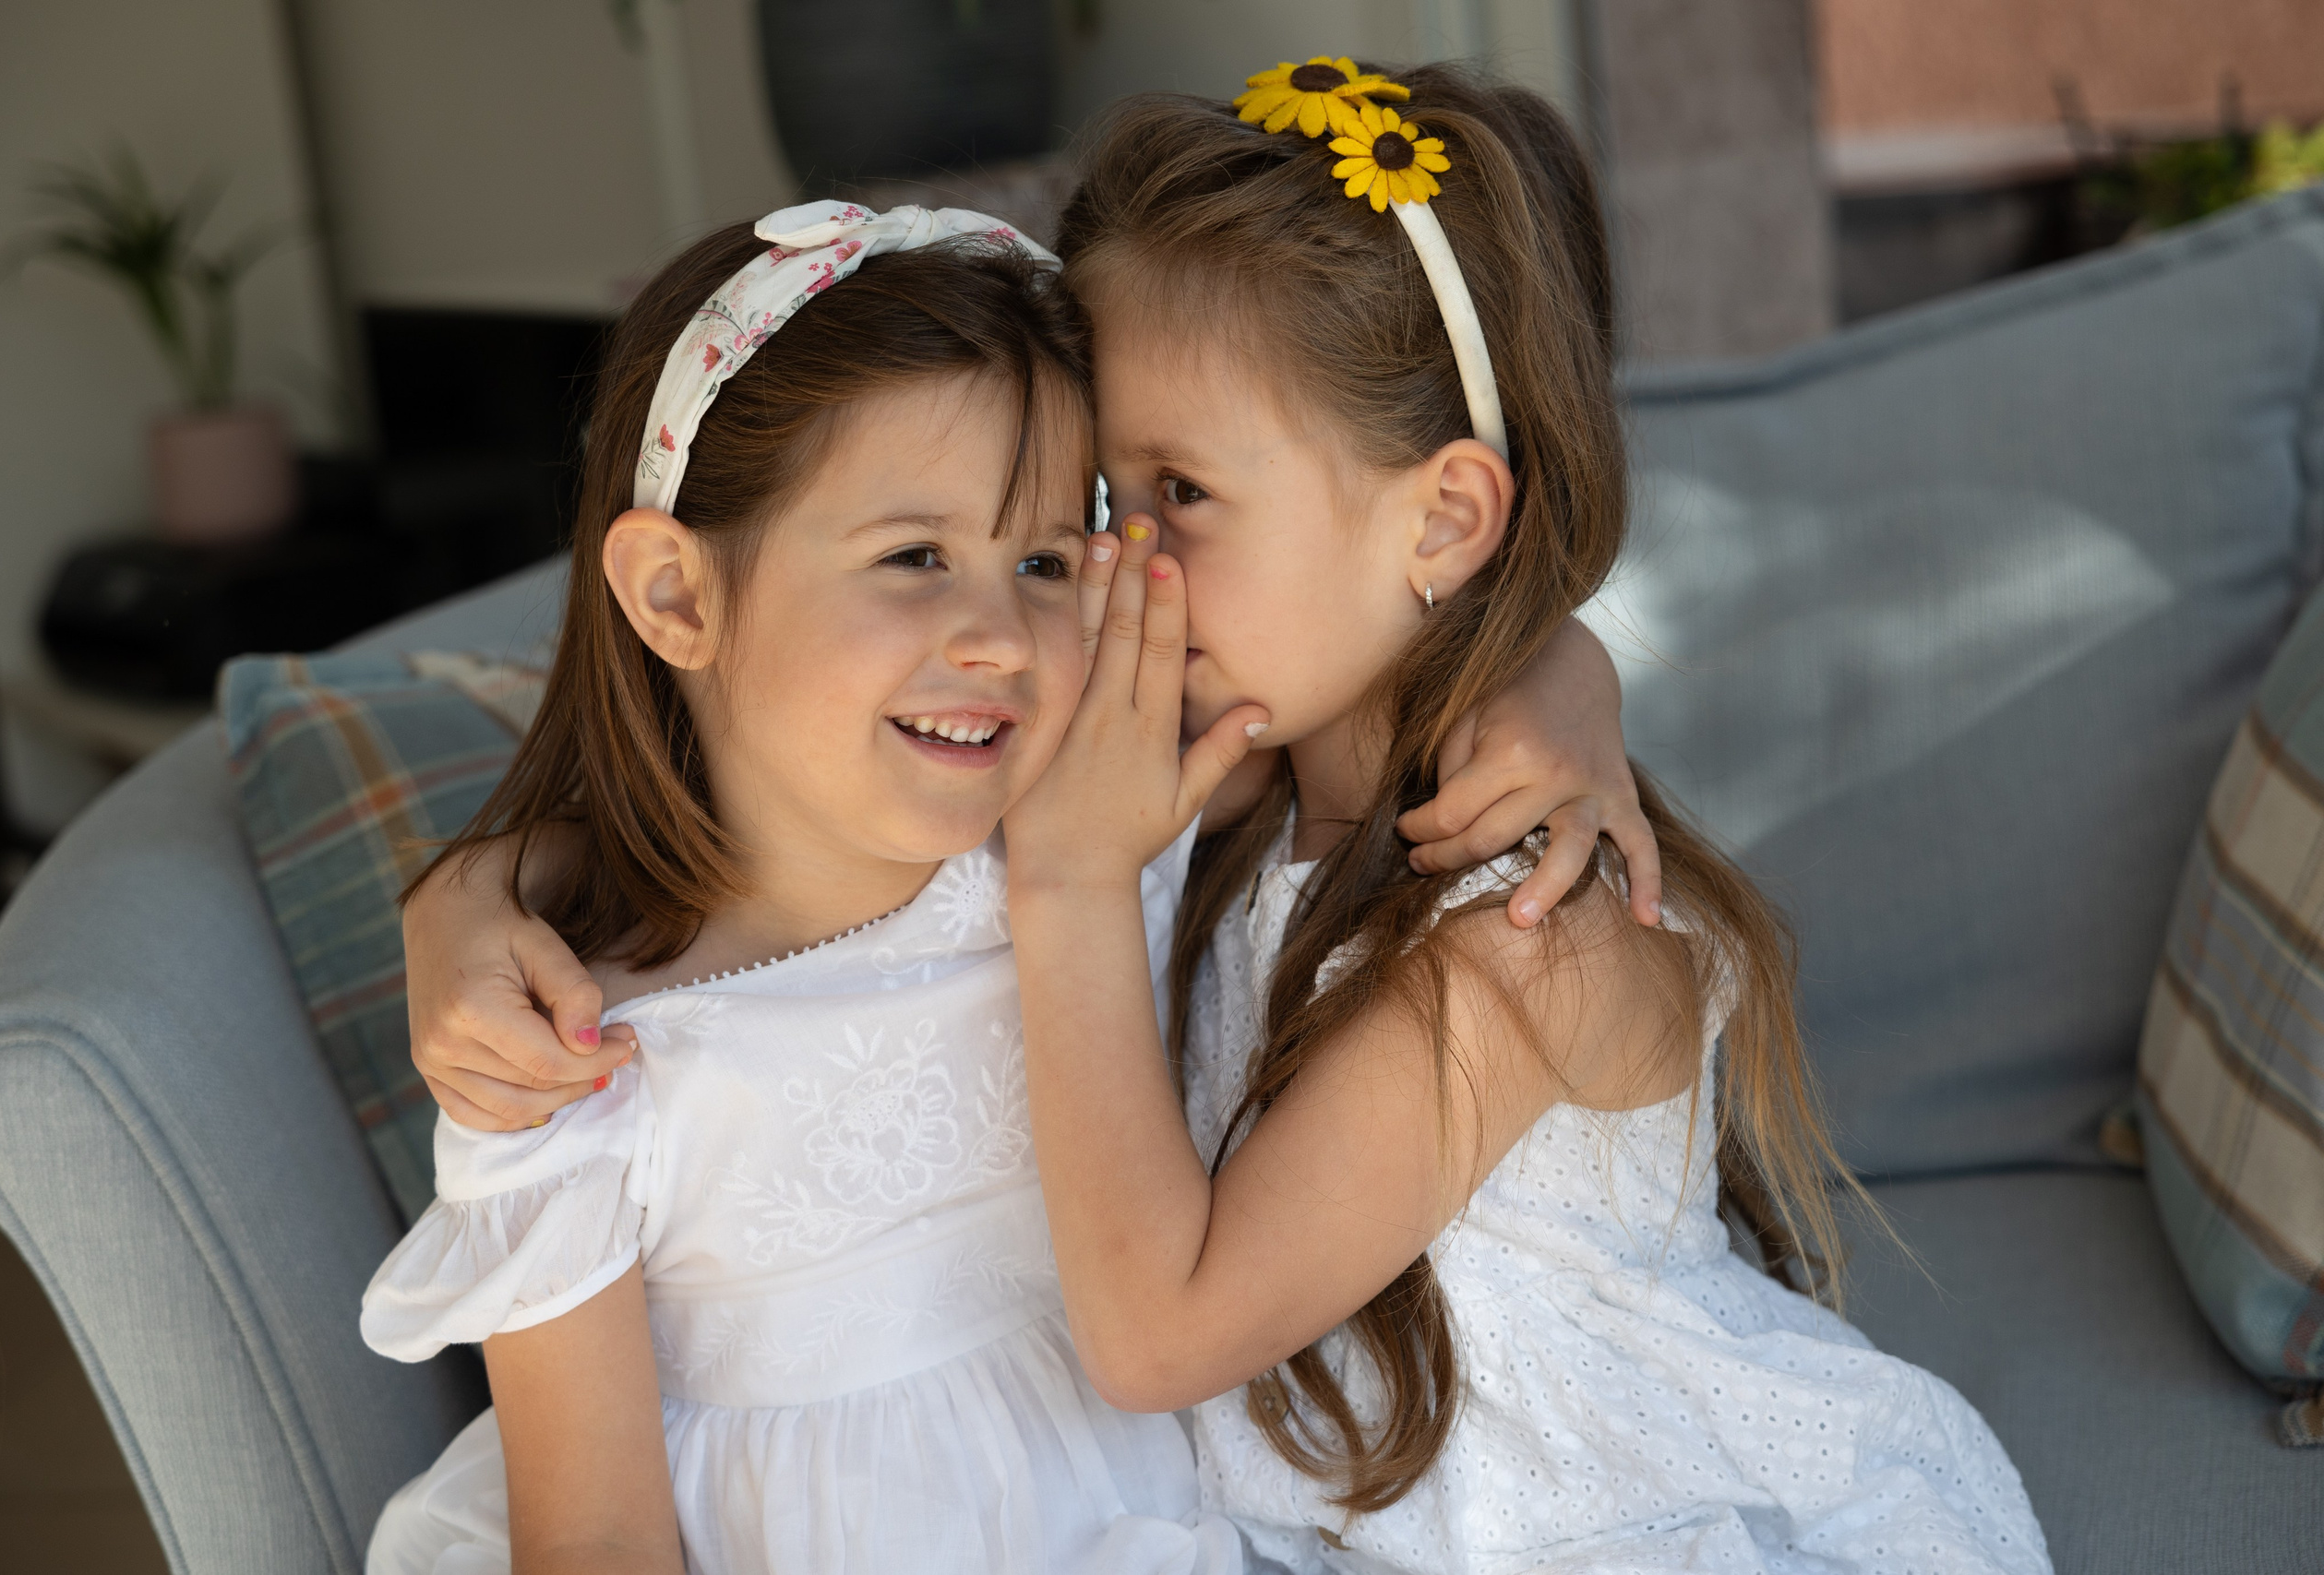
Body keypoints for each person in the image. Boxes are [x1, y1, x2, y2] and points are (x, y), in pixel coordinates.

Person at [365, 194, 1654, 1575]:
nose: (996, 636)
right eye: (915, 557)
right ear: (678, 599)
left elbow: (1372, 656)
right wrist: (474, 890)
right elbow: (600, 1537)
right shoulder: (563, 1066)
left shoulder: (1093, 825)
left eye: (1045, 559)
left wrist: (1563, 679)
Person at [998, 63, 2053, 1574]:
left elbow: (1159, 1338)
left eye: (1179, 491)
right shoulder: (1236, 774)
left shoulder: (1517, 948)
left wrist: (1069, 891)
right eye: (1105, 501)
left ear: (1441, 521)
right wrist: (520, 890)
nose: (1121, 567)